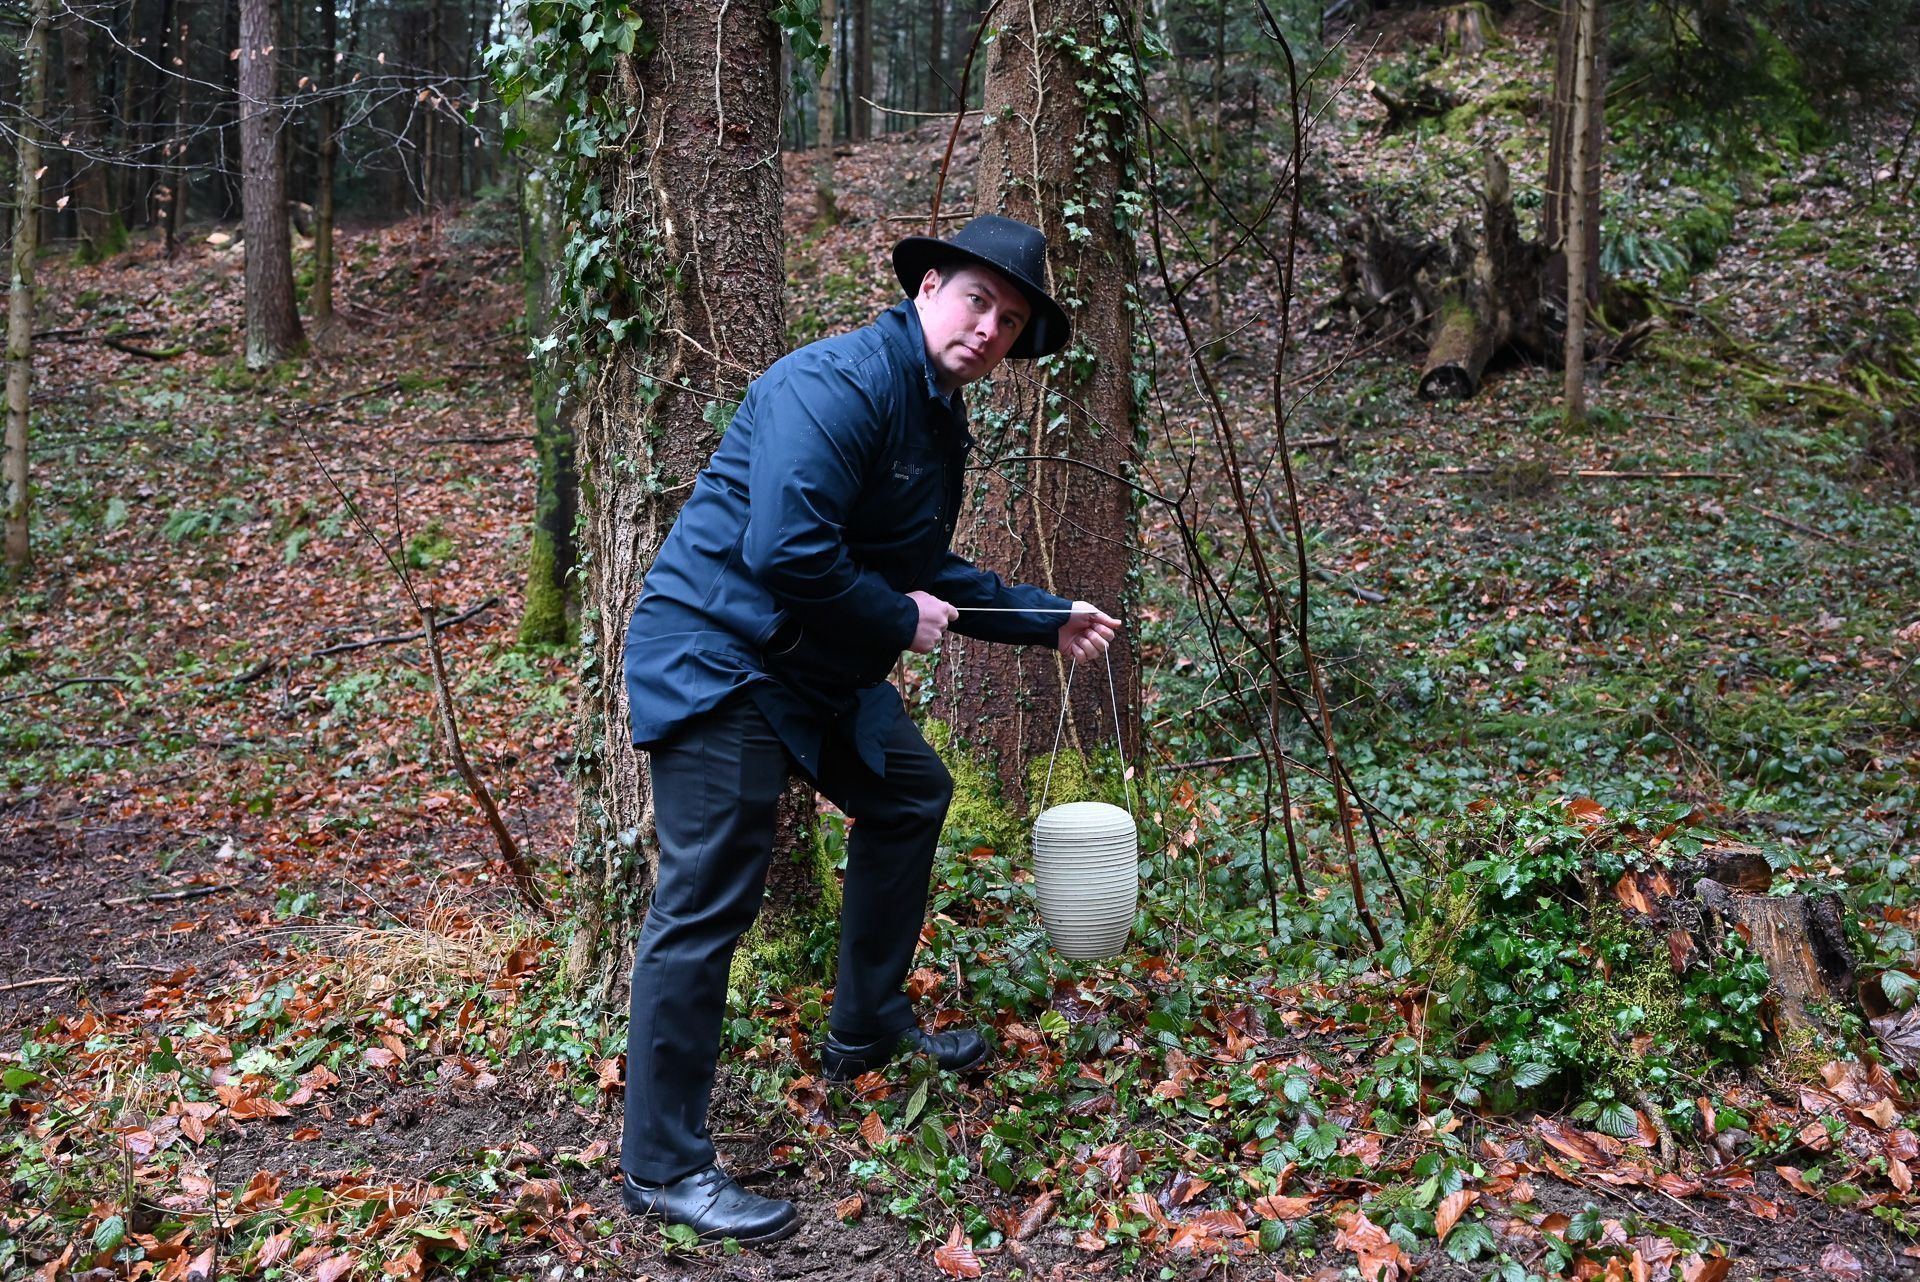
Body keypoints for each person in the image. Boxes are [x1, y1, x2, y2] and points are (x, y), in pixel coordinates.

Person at [617, 214, 1121, 1244]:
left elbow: (921, 568)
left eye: (1012, 320)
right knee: (709, 899)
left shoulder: (934, 418)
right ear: (930, 286)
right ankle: (662, 1165)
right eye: (979, 300)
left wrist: (1044, 617)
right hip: (720, 656)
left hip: (814, 666)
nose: (991, 329)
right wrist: (897, 618)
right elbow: (786, 546)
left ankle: (866, 1029)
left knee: (909, 793)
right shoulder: (835, 384)